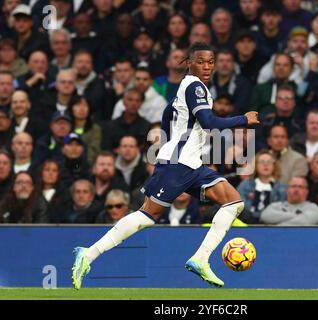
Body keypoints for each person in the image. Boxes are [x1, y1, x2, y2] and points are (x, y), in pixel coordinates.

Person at [71, 42, 259, 289]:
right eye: (200, 61)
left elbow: (169, 117)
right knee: (148, 215)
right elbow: (209, 120)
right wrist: (243, 119)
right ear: (188, 63)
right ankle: (89, 254)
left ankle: (201, 258)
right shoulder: (194, 87)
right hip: (178, 163)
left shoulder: (186, 90)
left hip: (191, 163)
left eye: (210, 61)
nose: (206, 66)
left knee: (234, 201)